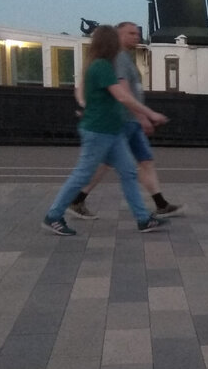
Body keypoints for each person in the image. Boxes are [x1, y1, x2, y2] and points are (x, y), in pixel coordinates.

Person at [42, 25, 169, 236]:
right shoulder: (102, 66)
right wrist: (150, 113)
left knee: (128, 172)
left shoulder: (100, 65)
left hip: (112, 131)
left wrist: (85, 104)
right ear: (110, 43)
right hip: (99, 131)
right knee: (82, 175)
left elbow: (86, 91)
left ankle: (143, 219)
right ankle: (53, 216)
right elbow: (122, 96)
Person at [68, 20, 183, 220]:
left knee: (143, 161)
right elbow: (124, 91)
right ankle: (74, 202)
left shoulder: (124, 58)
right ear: (118, 35)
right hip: (125, 120)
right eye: (131, 33)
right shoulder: (119, 58)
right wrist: (143, 116)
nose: (136, 37)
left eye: (137, 33)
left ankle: (161, 204)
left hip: (130, 121)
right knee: (111, 164)